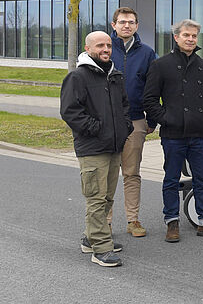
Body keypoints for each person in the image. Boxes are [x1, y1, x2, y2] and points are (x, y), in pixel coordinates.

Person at [144, 19, 203, 243]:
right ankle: (172, 222)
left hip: (199, 133)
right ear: (176, 37)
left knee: (202, 179)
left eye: (194, 36)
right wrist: (166, 119)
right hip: (173, 134)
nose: (191, 39)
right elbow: (149, 99)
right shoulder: (161, 65)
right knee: (171, 179)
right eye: (186, 35)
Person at [60, 31, 132, 267]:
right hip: (92, 148)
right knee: (96, 198)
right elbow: (70, 111)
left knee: (108, 196)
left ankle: (91, 238)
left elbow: (124, 106)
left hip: (113, 146)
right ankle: (101, 248)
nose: (106, 49)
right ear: (88, 48)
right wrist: (97, 129)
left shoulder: (114, 75)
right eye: (100, 45)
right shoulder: (78, 77)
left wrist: (125, 127)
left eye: (109, 45)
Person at [108, 6, 156, 238]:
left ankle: (133, 220)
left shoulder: (147, 53)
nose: (126, 25)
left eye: (131, 22)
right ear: (114, 25)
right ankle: (104, 222)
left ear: (137, 26)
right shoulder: (103, 49)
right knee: (106, 174)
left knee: (131, 173)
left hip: (136, 120)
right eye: (122, 22)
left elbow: (153, 89)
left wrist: (152, 120)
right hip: (107, 123)